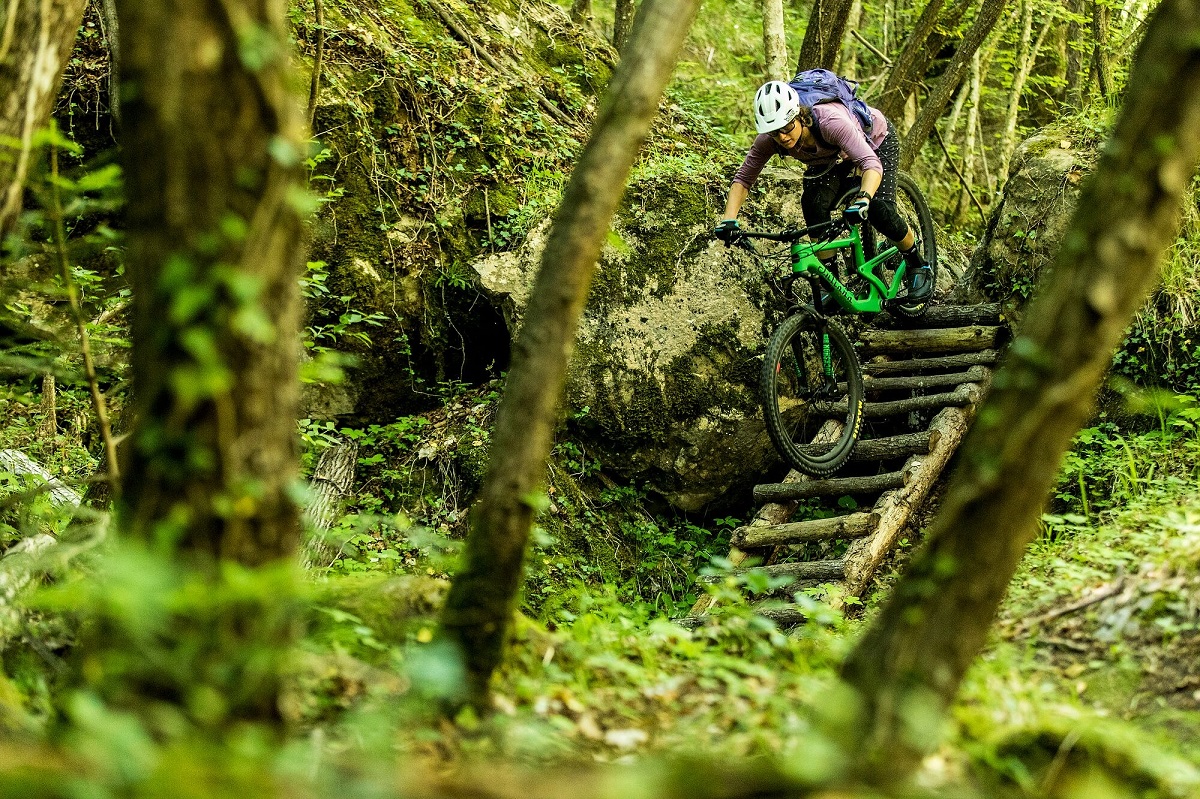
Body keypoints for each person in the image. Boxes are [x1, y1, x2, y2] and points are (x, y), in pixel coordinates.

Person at [713, 80, 933, 309]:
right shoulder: (771, 140)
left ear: (800, 115)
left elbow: (871, 165)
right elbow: (743, 180)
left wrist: (864, 199)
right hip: (832, 159)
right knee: (813, 204)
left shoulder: (830, 122)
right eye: (774, 132)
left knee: (879, 209)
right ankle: (831, 282)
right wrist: (729, 220)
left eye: (787, 127)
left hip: (875, 144)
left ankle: (917, 262)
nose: (783, 137)